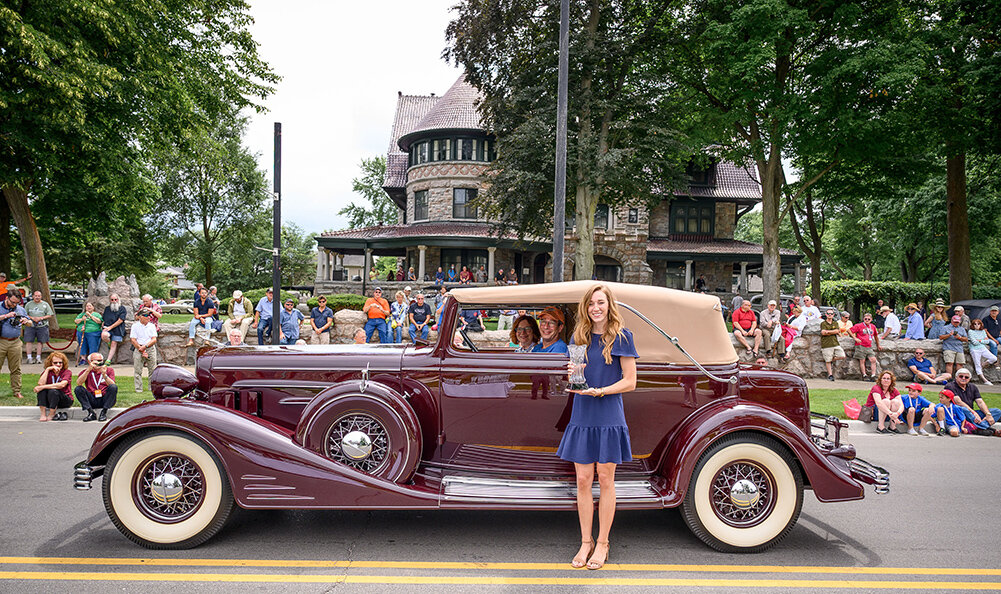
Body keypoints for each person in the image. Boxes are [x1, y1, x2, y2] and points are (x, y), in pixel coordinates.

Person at [558, 284, 637, 570]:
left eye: (601, 303)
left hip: (607, 412)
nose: (596, 308)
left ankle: (603, 543)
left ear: (609, 305)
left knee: (605, 478)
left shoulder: (622, 337)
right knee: (581, 480)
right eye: (591, 303)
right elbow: (577, 373)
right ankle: (585, 541)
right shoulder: (577, 336)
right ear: (585, 307)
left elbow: (630, 381)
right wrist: (572, 373)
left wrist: (601, 390)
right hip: (583, 411)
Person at [944, 369, 1001, 433]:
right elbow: (958, 402)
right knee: (963, 409)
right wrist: (974, 413)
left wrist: (988, 414)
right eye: (961, 376)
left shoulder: (973, 387)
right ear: (956, 377)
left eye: (966, 377)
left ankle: (980, 427)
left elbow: (980, 402)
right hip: (958, 414)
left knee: (997, 411)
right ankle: (990, 429)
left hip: (971, 415)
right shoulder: (950, 386)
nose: (963, 378)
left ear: (969, 379)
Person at [75, 352, 117, 422]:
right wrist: (88, 370)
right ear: (89, 362)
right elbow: (79, 383)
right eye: (96, 360)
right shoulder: (86, 371)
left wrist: (104, 374)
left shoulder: (109, 370)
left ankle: (104, 412)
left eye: (100, 360)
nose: (98, 362)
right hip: (92, 398)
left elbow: (112, 384)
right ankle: (91, 413)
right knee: (78, 389)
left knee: (113, 387)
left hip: (105, 399)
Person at [34, 352, 72, 421]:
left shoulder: (67, 372)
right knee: (42, 391)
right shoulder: (48, 372)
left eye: (60, 363)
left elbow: (62, 385)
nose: (58, 365)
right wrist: (47, 369)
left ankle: (51, 413)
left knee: (52, 391)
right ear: (51, 363)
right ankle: (43, 414)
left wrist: (43, 387)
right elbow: (40, 384)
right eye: (55, 363)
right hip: (50, 399)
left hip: (64, 399)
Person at [130, 308, 158, 392]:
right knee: (138, 370)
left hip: (150, 348)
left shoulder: (152, 326)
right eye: (145, 315)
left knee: (152, 369)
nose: (148, 317)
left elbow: (154, 339)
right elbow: (133, 339)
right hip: (138, 348)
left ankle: (151, 388)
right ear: (140, 317)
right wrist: (141, 349)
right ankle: (138, 389)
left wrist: (145, 347)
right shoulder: (135, 326)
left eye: (149, 315)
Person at [23, 290, 54, 364]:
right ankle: (29, 357)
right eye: (35, 296)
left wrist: (41, 318)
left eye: (38, 296)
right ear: (33, 296)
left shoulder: (45, 304)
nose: (37, 297)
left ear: (41, 296)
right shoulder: (28, 304)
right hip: (30, 325)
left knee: (40, 341)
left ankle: (38, 357)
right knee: (29, 341)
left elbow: (50, 314)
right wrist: (32, 318)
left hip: (42, 325)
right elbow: (24, 314)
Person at [967, 318, 999, 385]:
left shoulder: (983, 331)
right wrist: (982, 340)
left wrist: (979, 340)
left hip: (982, 348)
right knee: (977, 365)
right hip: (974, 349)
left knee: (994, 358)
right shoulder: (970, 331)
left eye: (978, 324)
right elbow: (974, 342)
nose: (977, 325)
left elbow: (987, 341)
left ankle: (983, 365)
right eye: (975, 324)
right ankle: (985, 380)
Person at [850, 313, 880, 379]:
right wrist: (855, 338)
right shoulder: (859, 325)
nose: (867, 320)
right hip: (860, 345)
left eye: (868, 319)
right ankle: (864, 375)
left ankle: (873, 375)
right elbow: (849, 330)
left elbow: (876, 336)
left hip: (869, 346)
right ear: (863, 319)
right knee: (862, 360)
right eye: (865, 319)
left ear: (871, 319)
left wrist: (878, 345)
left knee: (873, 360)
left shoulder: (873, 326)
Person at [100, 293, 128, 363]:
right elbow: (104, 319)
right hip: (107, 328)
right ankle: (108, 342)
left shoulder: (122, 308)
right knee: (104, 335)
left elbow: (120, 320)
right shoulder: (107, 309)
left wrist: (110, 327)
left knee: (113, 343)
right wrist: (103, 324)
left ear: (118, 300)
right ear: (110, 300)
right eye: (112, 299)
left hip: (118, 329)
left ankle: (108, 360)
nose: (114, 301)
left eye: (115, 299)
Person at [819, 308, 846, 381]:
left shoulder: (835, 323)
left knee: (842, 355)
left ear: (833, 315)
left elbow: (837, 331)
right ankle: (830, 375)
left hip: (835, 343)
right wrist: (832, 331)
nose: (830, 315)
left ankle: (831, 359)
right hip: (826, 344)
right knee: (828, 361)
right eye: (828, 313)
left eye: (831, 314)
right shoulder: (823, 323)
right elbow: (823, 332)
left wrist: (828, 332)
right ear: (826, 314)